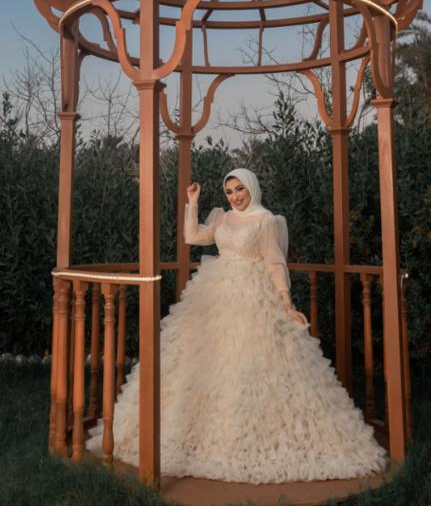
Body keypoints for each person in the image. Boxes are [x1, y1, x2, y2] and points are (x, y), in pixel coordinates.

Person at [87, 168, 388, 483]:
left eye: (240, 189)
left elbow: (274, 262)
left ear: (252, 188)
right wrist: (193, 202)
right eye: (229, 191)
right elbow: (193, 237)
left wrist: (286, 303)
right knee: (197, 359)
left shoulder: (266, 221)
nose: (235, 196)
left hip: (252, 295)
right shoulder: (222, 217)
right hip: (214, 293)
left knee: (247, 361)